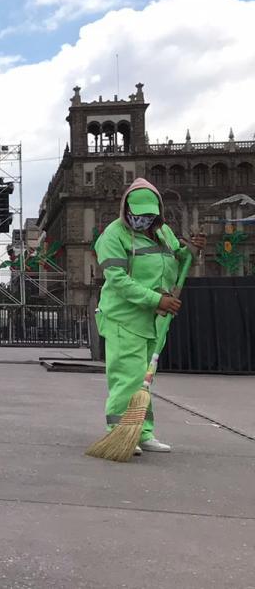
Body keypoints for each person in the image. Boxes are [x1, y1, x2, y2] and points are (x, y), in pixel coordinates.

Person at [93, 178, 204, 455]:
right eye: (138, 214)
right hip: (123, 317)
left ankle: (141, 431)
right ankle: (119, 432)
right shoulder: (112, 236)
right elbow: (117, 280)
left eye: (149, 215)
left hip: (153, 319)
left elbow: (176, 258)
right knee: (128, 377)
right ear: (126, 209)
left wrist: (191, 250)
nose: (143, 219)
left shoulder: (163, 231)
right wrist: (157, 299)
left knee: (143, 380)